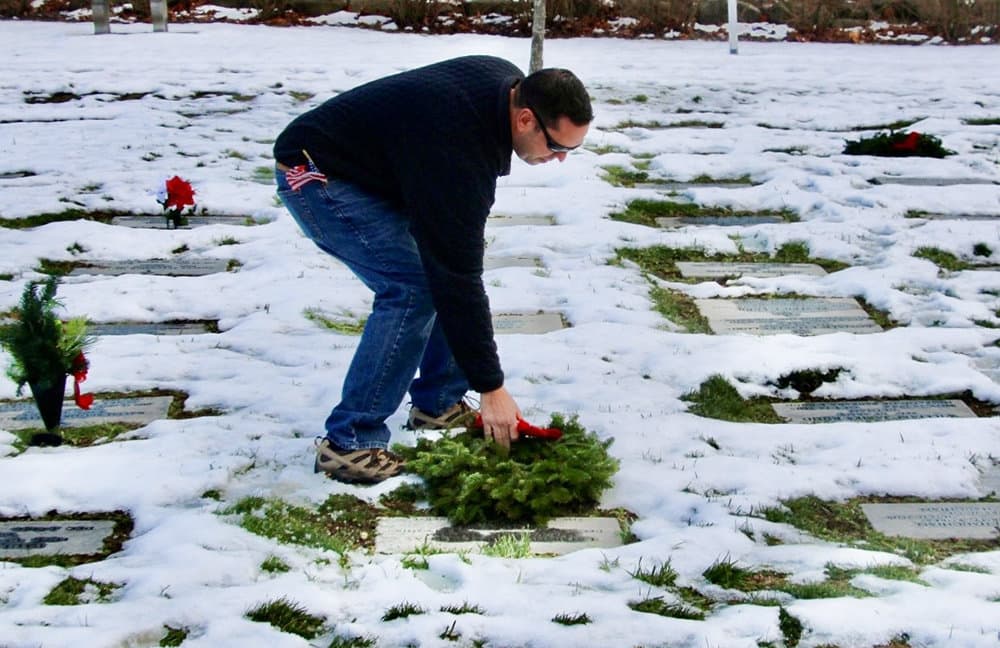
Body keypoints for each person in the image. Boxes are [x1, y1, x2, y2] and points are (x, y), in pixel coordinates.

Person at [273, 55, 593, 484]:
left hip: (378, 171)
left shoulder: (503, 87)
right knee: (412, 287)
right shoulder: (458, 146)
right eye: (558, 147)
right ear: (524, 119)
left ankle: (438, 403)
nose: (561, 160)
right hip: (316, 174)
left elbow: (456, 263)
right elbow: (458, 274)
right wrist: (491, 387)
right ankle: (350, 441)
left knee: (438, 271)